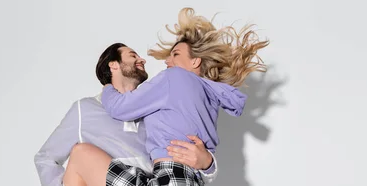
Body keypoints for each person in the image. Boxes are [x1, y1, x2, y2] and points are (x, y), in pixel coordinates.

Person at [63, 7, 268, 186]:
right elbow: (202, 161)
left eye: (175, 54)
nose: (167, 61)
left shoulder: (174, 77)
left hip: (169, 179)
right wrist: (208, 164)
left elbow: (120, 109)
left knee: (81, 154)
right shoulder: (211, 96)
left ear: (195, 62)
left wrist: (108, 85)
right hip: (181, 179)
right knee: (81, 157)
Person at [34, 43, 220, 186]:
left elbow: (184, 168)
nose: (143, 59)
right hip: (117, 180)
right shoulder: (85, 109)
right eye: (133, 55)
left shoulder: (157, 111)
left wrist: (208, 164)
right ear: (113, 65)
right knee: (80, 154)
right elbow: (46, 158)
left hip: (157, 181)